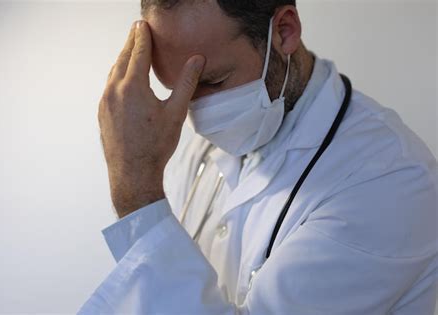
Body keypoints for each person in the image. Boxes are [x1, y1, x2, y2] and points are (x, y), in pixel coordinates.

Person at [79, 1, 437, 314]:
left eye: (213, 82)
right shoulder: (207, 147)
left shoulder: (389, 181)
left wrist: (137, 191)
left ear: (284, 31)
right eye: (176, 87)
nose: (191, 110)